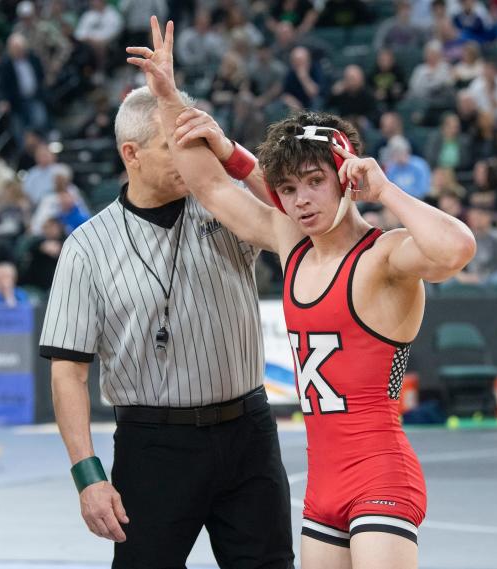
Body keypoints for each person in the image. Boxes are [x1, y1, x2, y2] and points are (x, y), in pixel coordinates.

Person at [129, 17, 476, 568]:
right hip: (322, 490)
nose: (301, 201)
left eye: (316, 181)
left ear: (347, 177)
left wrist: (386, 190)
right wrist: (169, 98)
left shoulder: (384, 256)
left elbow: (455, 249)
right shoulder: (293, 246)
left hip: (380, 476)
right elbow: (211, 184)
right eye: (287, 189)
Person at [37, 87, 294, 568]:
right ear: (130, 154)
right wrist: (88, 475)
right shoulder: (86, 247)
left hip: (248, 433)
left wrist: (226, 149)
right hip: (153, 444)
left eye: (192, 142)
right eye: (172, 145)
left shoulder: (224, 207)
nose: (189, 156)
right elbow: (67, 373)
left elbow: (294, 214)